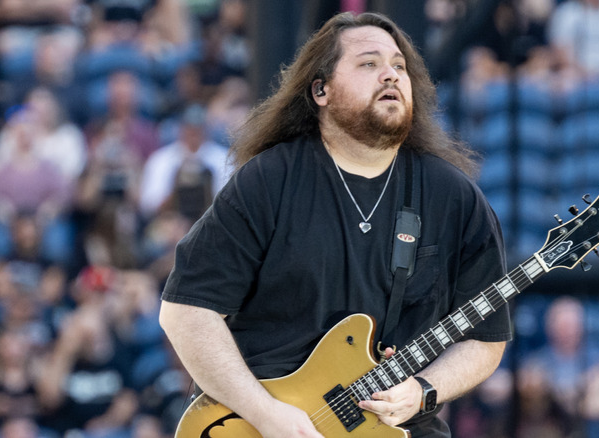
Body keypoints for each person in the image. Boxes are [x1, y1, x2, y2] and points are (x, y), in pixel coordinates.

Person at [159, 11, 511, 438]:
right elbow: (185, 310)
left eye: (399, 66)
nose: (390, 75)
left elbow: (485, 337)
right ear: (321, 90)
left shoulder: (453, 197)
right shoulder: (271, 180)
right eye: (369, 63)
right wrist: (268, 415)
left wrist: (423, 390)